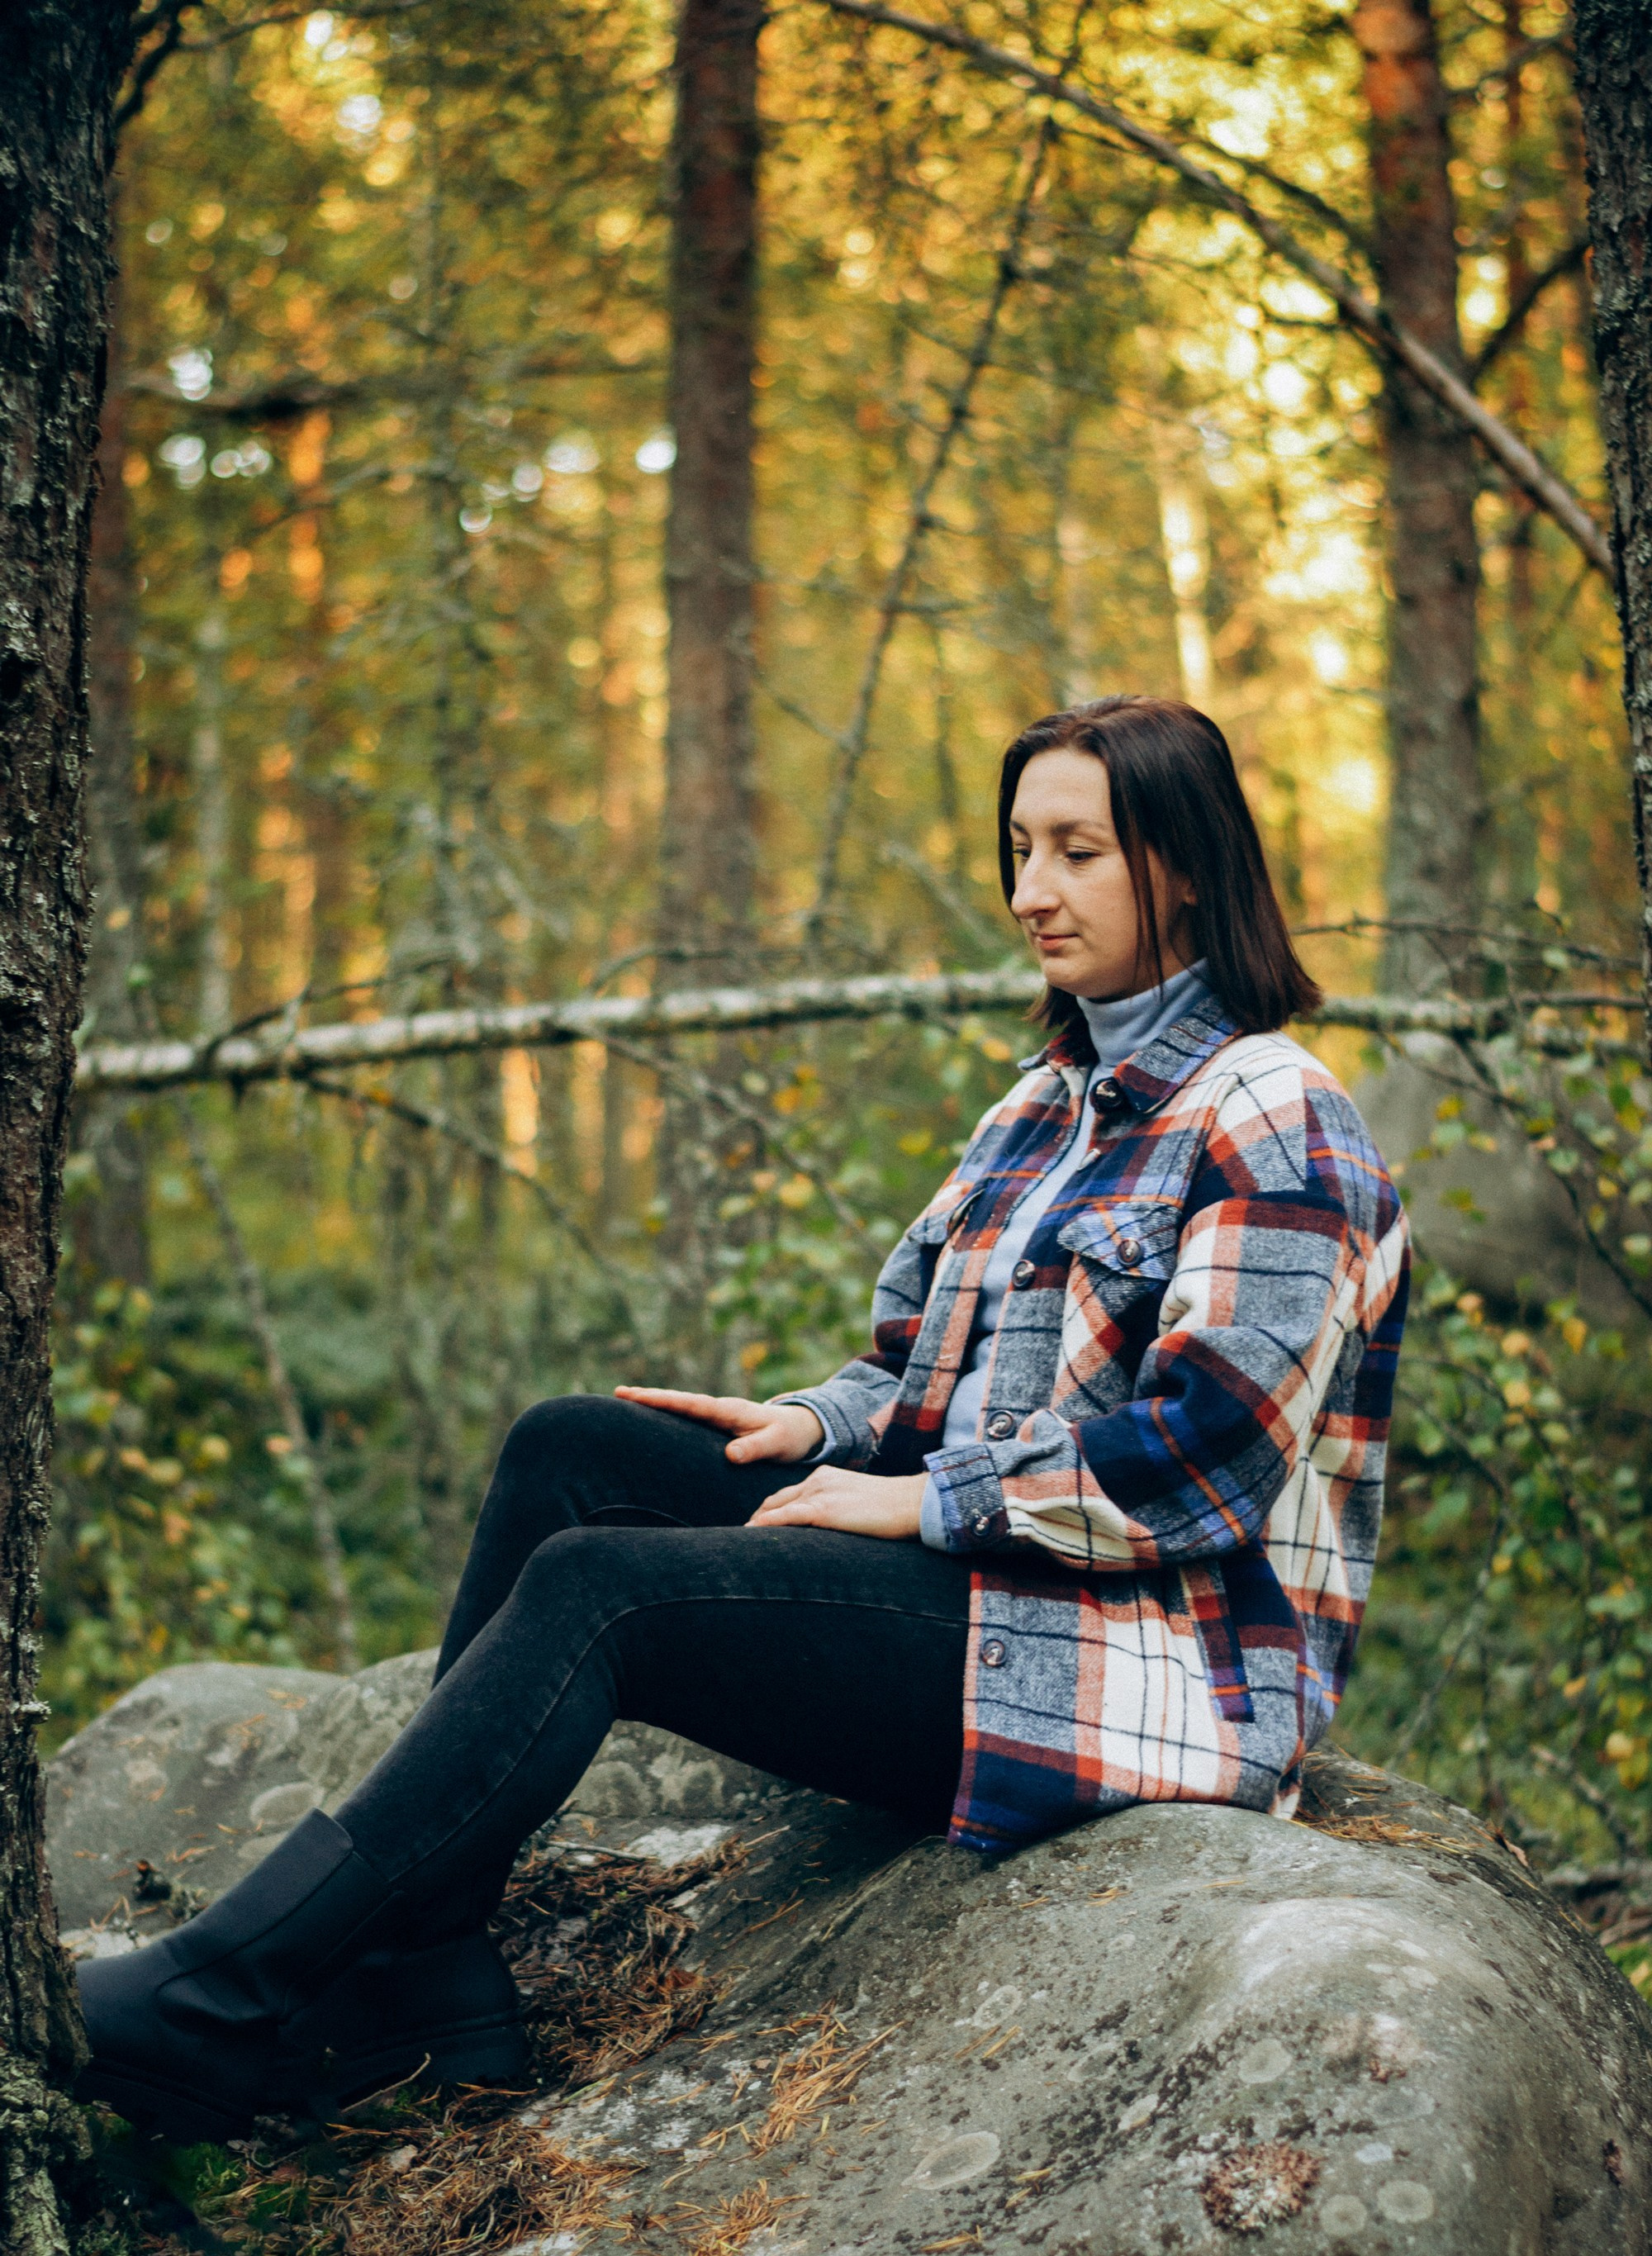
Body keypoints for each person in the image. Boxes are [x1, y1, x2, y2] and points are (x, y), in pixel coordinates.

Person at [77, 695, 1409, 2142]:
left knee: (604, 1594)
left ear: (1191, 863)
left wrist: (925, 1503)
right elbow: (919, 1372)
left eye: (1079, 851)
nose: (1033, 892)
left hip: (1145, 1664)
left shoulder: (1276, 1113)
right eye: (1020, 848)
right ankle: (420, 1971)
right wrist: (819, 1427)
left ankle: (217, 2001)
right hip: (988, 1580)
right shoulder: (1041, 1107)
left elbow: (1208, 1452)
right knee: (571, 1451)